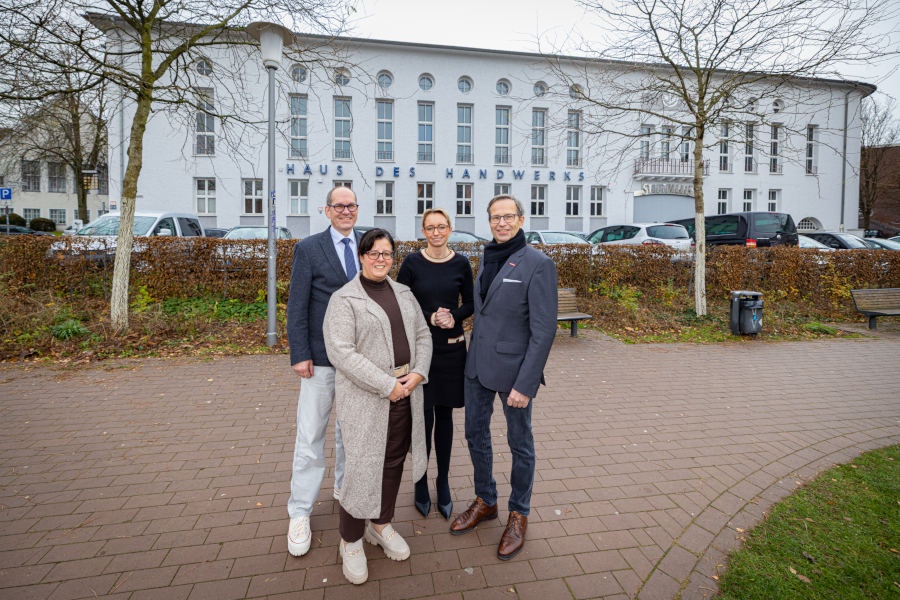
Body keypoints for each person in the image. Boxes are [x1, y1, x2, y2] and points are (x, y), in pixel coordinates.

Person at [449, 194, 558, 561]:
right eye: (495, 217)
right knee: (474, 435)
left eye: (508, 216)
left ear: (522, 219)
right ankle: (487, 500)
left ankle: (518, 513)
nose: (502, 223)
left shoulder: (538, 264)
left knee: (520, 444)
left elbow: (543, 331)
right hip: (477, 367)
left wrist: (525, 385)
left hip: (514, 375)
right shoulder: (486, 256)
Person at [323, 229, 432, 585]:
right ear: (361, 255)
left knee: (393, 461)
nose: (381, 259)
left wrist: (418, 373)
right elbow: (341, 352)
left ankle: (380, 524)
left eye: (387, 254)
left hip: (406, 393)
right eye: (374, 253)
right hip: (368, 400)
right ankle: (351, 539)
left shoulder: (403, 293)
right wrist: (387, 386)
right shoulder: (345, 299)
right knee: (361, 466)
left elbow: (422, 337)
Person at [285, 186, 361, 558]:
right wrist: (300, 353)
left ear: (356, 210)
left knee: (350, 434)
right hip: (319, 359)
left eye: (351, 205)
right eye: (339, 206)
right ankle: (299, 511)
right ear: (327, 210)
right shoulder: (309, 248)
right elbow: (296, 304)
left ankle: (343, 489)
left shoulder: (368, 245)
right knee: (311, 436)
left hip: (359, 365)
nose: (345, 211)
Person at [397, 208, 474, 520]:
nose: (436, 232)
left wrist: (453, 316)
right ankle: (419, 481)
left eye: (441, 227)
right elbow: (400, 301)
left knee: (444, 418)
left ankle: (442, 483)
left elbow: (469, 302)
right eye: (430, 227)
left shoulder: (461, 263)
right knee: (421, 418)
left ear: (450, 229)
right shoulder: (412, 263)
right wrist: (429, 316)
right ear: (424, 231)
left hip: (451, 351)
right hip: (419, 352)